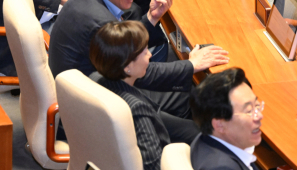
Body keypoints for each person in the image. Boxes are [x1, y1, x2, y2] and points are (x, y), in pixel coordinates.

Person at [49, 0, 229, 118]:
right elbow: (141, 73)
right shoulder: (100, 22)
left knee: (190, 88)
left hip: (100, 90)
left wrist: (151, 17)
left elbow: (124, 49)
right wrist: (192, 64)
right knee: (202, 97)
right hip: (103, 110)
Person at [90, 20, 211, 170]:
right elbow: (153, 165)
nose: (149, 55)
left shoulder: (95, 78)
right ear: (128, 67)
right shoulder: (138, 110)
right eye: (144, 51)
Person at [190, 68, 262, 170]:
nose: (259, 116)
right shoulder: (222, 167)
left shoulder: (207, 137)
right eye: (249, 111)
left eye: (257, 106)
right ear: (219, 124)